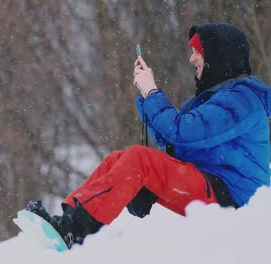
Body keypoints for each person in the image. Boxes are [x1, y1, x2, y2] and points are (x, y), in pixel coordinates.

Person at [25, 22, 271, 249]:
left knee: (139, 159)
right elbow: (171, 142)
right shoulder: (212, 100)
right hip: (213, 185)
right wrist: (146, 98)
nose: (191, 58)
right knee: (118, 159)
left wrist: (153, 92)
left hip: (234, 198)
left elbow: (181, 132)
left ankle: (73, 232)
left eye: (197, 51)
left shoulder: (242, 100)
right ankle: (68, 222)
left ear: (216, 57)